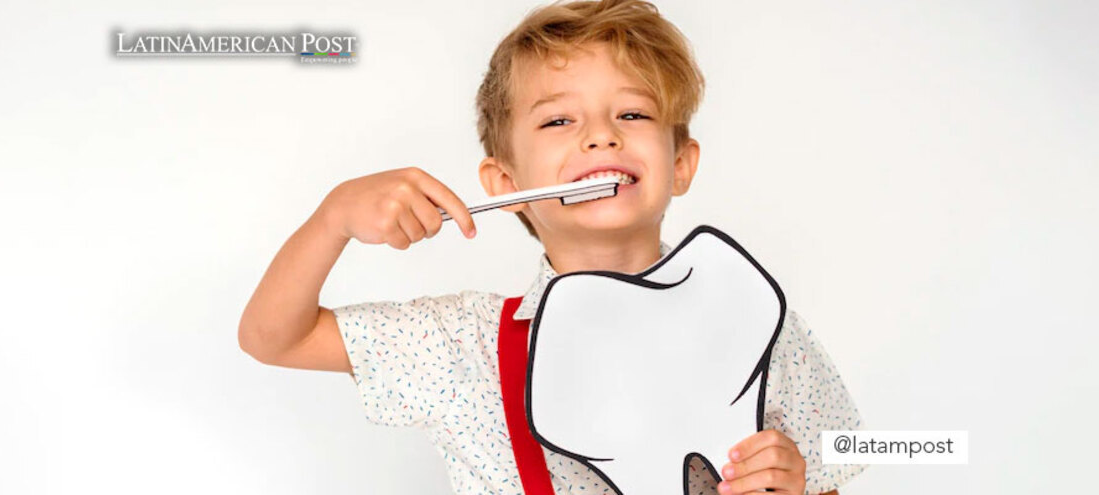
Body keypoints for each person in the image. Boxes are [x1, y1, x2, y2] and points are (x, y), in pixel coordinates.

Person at [238, 1, 866, 493]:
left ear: (681, 163)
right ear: (507, 186)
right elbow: (274, 337)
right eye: (558, 120)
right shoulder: (463, 344)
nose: (600, 137)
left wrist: (797, 486)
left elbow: (837, 466)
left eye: (634, 114)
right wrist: (333, 219)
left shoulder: (757, 319)